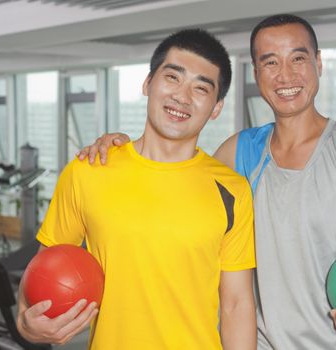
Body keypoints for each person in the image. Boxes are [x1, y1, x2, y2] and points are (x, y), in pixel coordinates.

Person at [77, 14, 336, 350]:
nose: (286, 76)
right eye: (270, 63)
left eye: (298, 59)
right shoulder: (240, 152)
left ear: (318, 63)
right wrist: (122, 148)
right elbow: (172, 180)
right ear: (257, 74)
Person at [16, 29, 257, 350]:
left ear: (216, 107)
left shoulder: (232, 189)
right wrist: (25, 322)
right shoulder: (88, 169)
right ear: (148, 84)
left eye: (201, 88)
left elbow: (237, 304)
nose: (182, 97)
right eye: (172, 78)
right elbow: (43, 268)